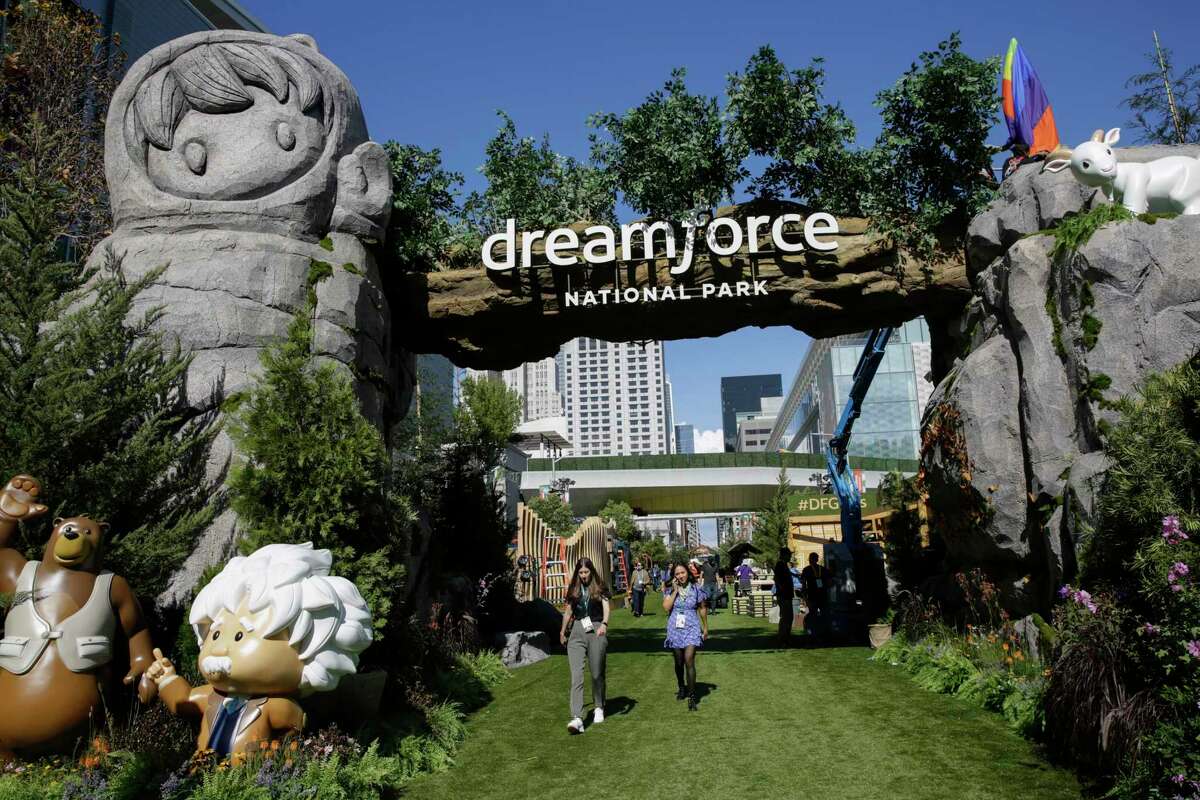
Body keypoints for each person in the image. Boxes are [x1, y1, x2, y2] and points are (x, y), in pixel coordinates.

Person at [559, 557, 611, 734]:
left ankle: (598, 706)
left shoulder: (600, 586)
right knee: (576, 675)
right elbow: (568, 612)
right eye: (580, 572)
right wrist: (562, 631)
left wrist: (604, 624)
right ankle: (577, 717)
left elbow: (606, 606)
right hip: (577, 631)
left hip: (596, 629)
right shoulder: (574, 588)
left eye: (586, 572)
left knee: (597, 673)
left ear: (591, 571)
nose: (583, 576)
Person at [663, 563, 708, 711]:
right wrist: (675, 591)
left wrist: (705, 627)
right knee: (678, 661)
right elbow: (666, 608)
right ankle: (681, 686)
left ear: (687, 572)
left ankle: (692, 696)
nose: (680, 576)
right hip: (675, 628)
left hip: (692, 627)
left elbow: (702, 608)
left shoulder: (696, 588)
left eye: (682, 572)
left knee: (689, 659)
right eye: (677, 574)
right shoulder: (670, 589)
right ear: (674, 576)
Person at [801, 552, 831, 642]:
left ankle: (817, 634)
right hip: (817, 596)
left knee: (818, 615)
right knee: (818, 615)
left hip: (817, 596)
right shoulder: (810, 570)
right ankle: (818, 634)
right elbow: (829, 583)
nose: (811, 561)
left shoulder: (809, 569)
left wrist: (805, 598)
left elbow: (803, 585)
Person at [773, 547, 796, 645]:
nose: (790, 556)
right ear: (784, 555)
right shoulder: (780, 564)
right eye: (789, 554)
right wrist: (782, 589)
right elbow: (777, 579)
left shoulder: (784, 565)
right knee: (786, 617)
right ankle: (783, 638)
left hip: (787, 595)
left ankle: (786, 637)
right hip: (784, 595)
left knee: (789, 617)